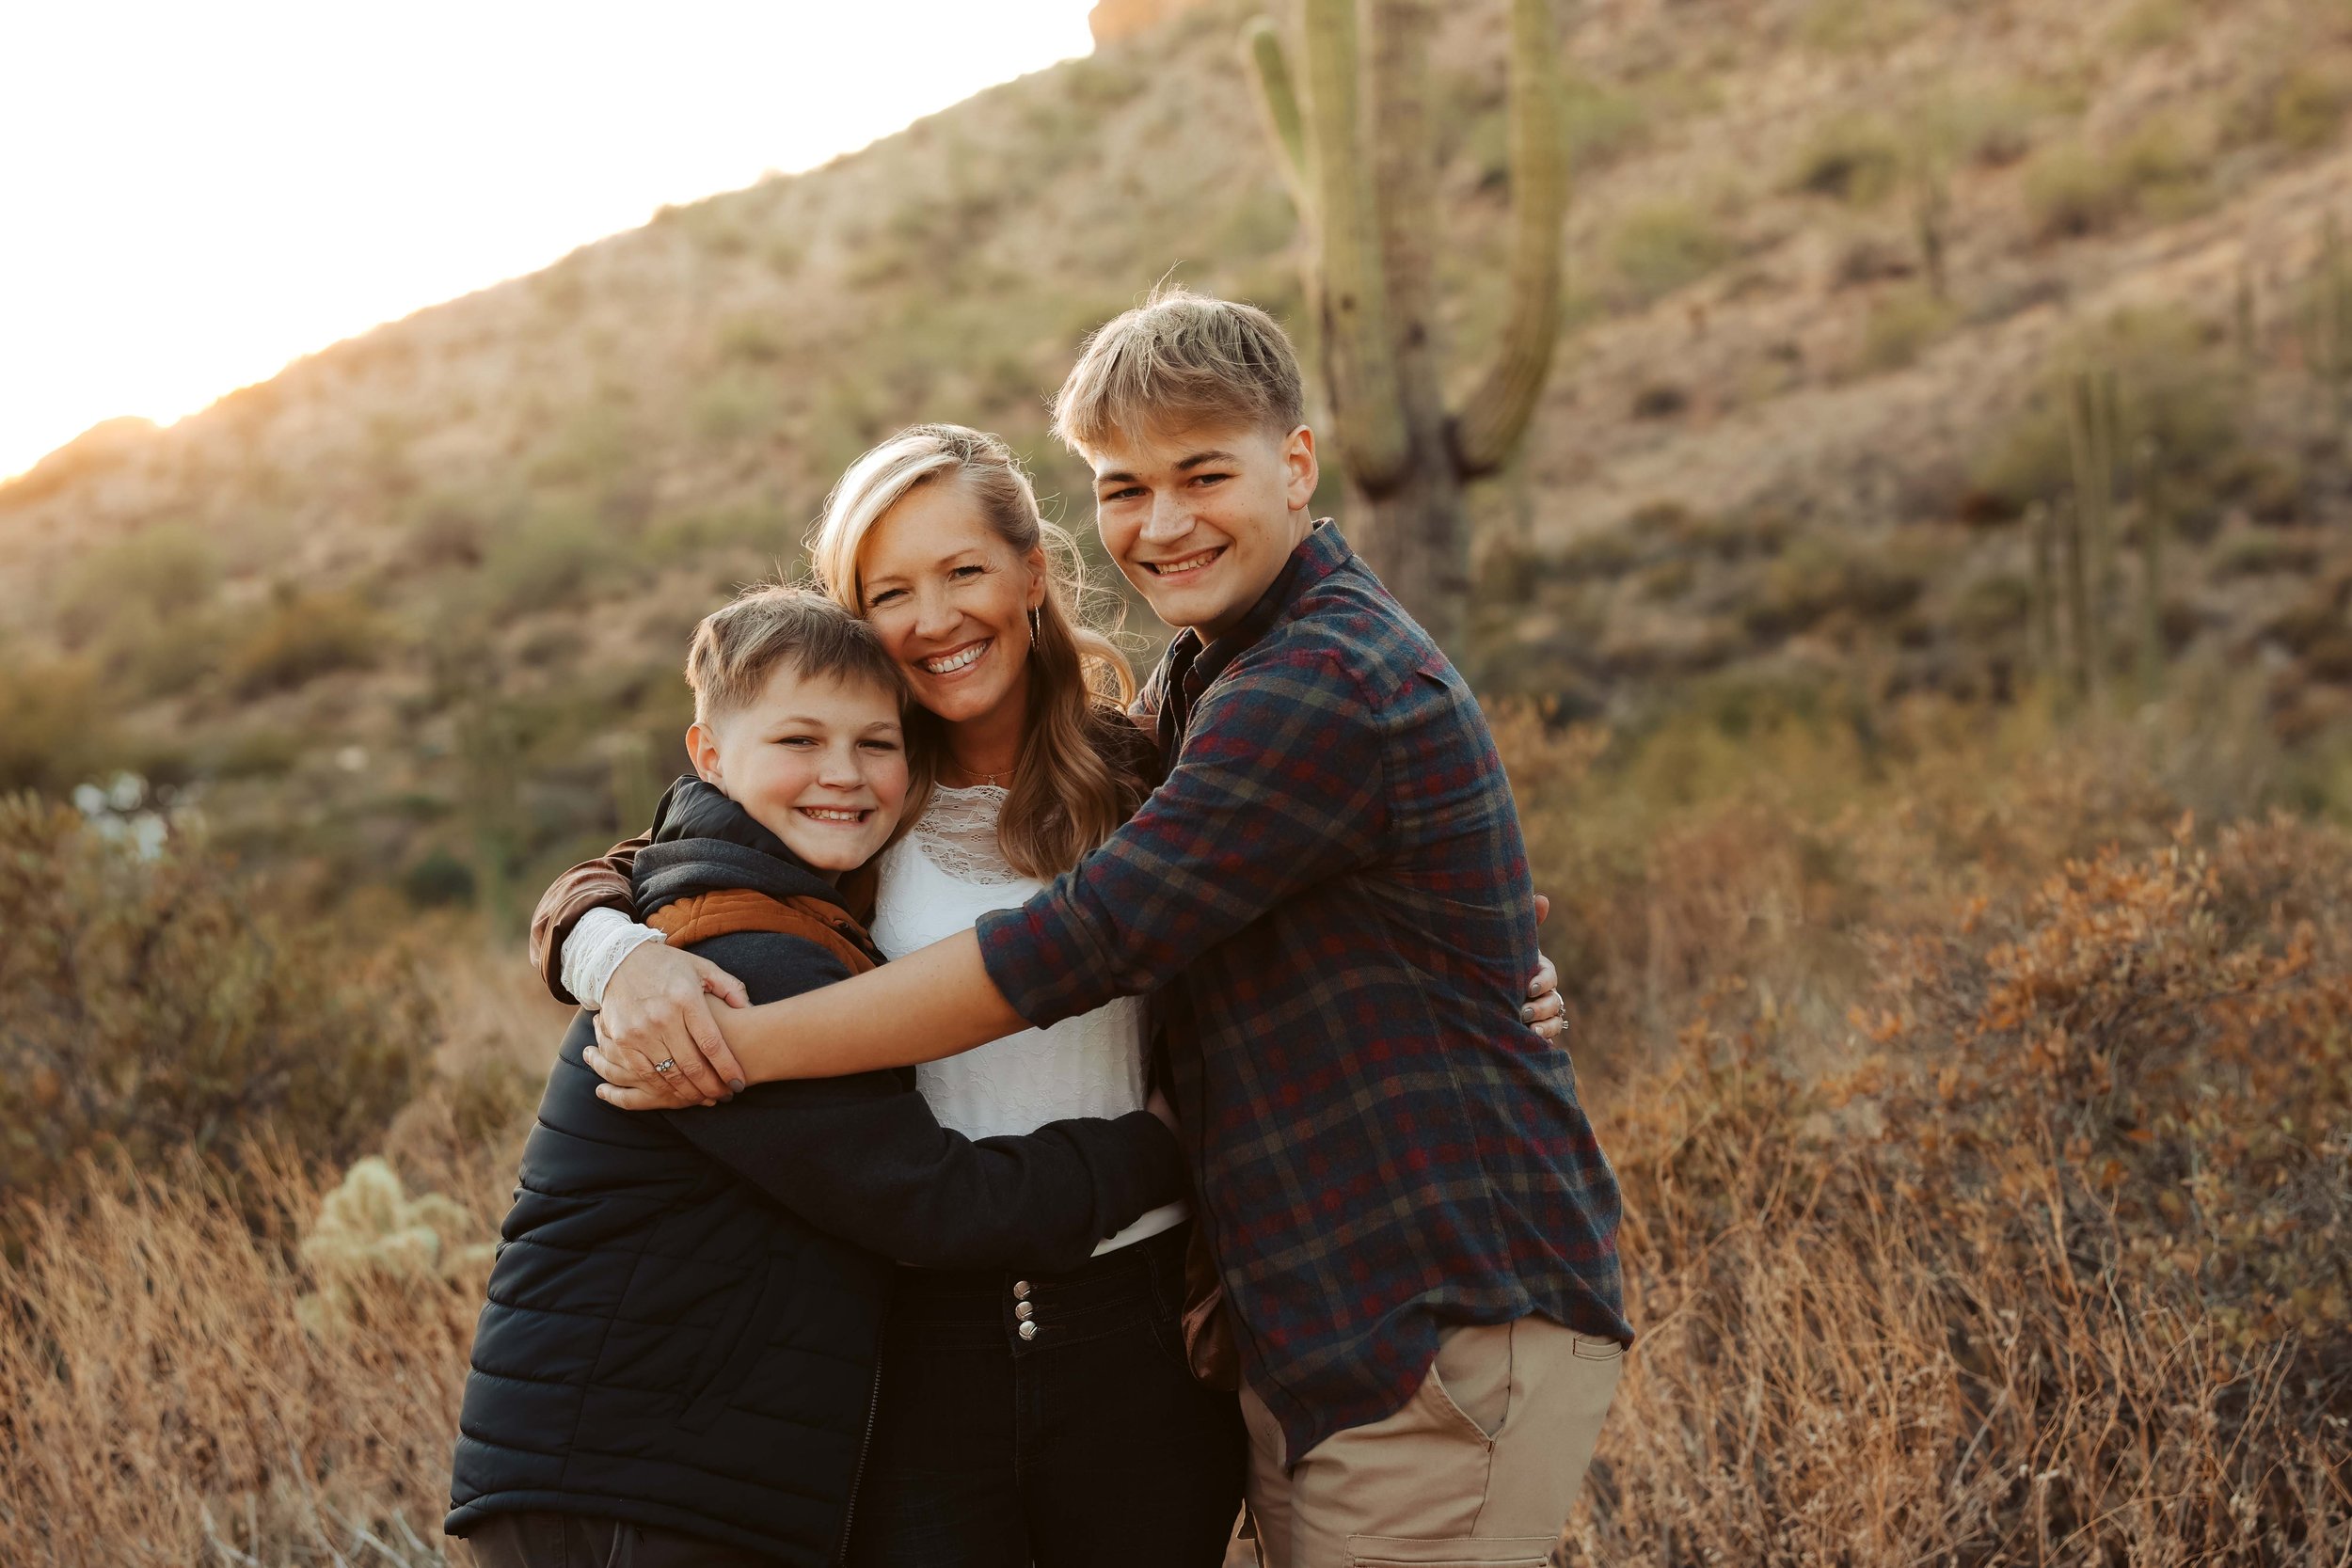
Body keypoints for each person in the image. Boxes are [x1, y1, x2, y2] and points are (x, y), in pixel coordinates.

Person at [576, 290, 1628, 1568]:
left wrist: (736, 1049)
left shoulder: (1174, 748)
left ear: (1031, 573)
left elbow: (1092, 937)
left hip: (1229, 1323)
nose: (935, 614)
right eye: (889, 589)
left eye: (965, 568)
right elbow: (661, 860)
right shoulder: (853, 799)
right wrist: (611, 949)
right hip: (947, 1341)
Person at [447, 589, 1188, 1568]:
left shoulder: (734, 887)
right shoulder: (746, 954)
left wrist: (593, 930)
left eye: (875, 744)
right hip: (641, 1476)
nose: (842, 774)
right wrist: (1160, 1147)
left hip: (661, 1458)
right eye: (800, 740)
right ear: (710, 755)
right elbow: (935, 1201)